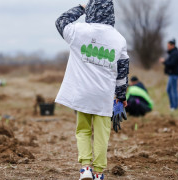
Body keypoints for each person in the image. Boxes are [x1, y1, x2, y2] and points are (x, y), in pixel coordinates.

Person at [55, 0, 129, 179]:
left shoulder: (78, 31)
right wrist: (120, 96)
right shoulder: (119, 39)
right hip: (103, 96)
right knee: (102, 135)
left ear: (92, 10)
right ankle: (99, 173)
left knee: (83, 130)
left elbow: (60, 21)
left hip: (82, 94)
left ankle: (85, 168)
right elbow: (123, 72)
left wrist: (80, 9)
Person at [160, 39, 178, 111]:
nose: (168, 47)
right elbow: (170, 62)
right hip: (172, 74)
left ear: (173, 45)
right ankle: (172, 105)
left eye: (168, 46)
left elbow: (172, 64)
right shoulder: (172, 53)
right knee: (169, 90)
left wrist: (164, 62)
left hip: (174, 75)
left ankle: (174, 107)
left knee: (174, 90)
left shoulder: (175, 53)